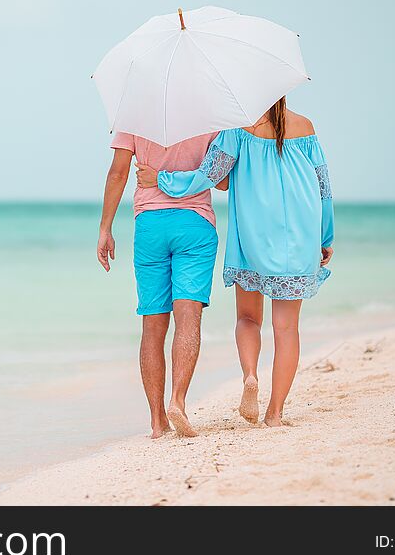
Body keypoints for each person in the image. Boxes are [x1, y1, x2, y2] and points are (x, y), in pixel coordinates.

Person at [136, 97, 334, 427]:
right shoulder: (306, 128)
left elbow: (207, 175)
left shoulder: (239, 130)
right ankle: (274, 413)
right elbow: (323, 189)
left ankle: (250, 375)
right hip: (300, 239)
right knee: (287, 328)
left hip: (253, 238)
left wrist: (161, 179)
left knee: (247, 318)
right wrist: (325, 235)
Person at [98, 130, 225, 438]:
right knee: (188, 316)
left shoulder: (133, 115)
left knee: (153, 325)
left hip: (150, 225)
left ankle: (157, 422)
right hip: (195, 222)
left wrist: (105, 228)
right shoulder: (208, 115)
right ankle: (178, 402)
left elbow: (118, 173)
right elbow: (221, 180)